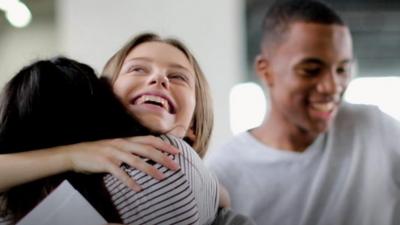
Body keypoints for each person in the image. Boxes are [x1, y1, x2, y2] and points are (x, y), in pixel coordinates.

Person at [205, 0, 400, 225]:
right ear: (265, 71)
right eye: (311, 70)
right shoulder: (224, 174)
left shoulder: (373, 128)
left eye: (342, 69)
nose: (332, 86)